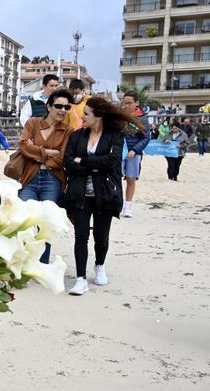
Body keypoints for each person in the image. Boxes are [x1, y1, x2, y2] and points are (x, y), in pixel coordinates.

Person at [63, 97, 138, 295]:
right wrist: (91, 164)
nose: (82, 116)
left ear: (98, 116)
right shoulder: (76, 136)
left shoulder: (114, 136)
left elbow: (111, 161)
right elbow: (68, 163)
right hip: (79, 193)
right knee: (81, 235)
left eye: (86, 113)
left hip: (105, 193)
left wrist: (84, 161)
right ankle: (80, 279)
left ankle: (99, 265)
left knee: (101, 236)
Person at [17, 88, 74, 263]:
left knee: (46, 224)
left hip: (53, 180)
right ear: (48, 106)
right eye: (58, 106)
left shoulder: (68, 130)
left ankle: (41, 264)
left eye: (67, 107)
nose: (63, 110)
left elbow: (63, 158)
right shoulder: (33, 123)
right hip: (30, 177)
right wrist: (47, 152)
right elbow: (23, 146)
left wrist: (37, 152)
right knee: (24, 222)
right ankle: (23, 264)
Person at [121, 90, 150, 218]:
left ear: (136, 103)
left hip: (134, 153)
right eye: (124, 103)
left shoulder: (142, 118)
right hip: (119, 151)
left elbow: (146, 138)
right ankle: (117, 203)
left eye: (129, 103)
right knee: (115, 178)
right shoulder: (119, 115)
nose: (126, 105)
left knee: (131, 178)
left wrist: (135, 150)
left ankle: (128, 206)